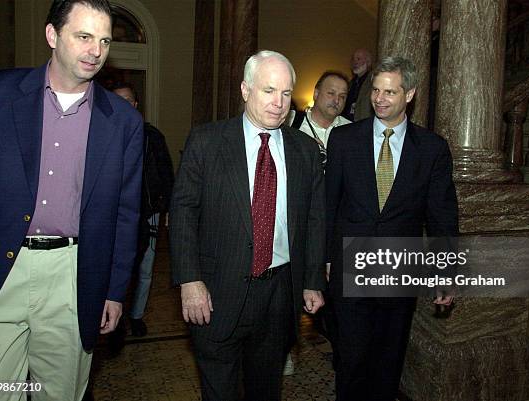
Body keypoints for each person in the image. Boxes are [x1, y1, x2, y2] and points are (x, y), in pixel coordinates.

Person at [0, 1, 143, 400]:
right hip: (0, 269)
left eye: (104, 41)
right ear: (53, 36)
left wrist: (114, 290)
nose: (95, 51)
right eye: (84, 37)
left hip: (72, 275)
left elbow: (126, 215)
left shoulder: (123, 123)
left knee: (59, 393)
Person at [170, 50, 326, 401]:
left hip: (278, 296)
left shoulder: (305, 150)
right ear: (245, 90)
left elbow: (315, 220)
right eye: (269, 90)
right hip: (215, 291)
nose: (279, 102)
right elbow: (183, 212)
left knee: (265, 389)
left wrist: (313, 281)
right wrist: (190, 280)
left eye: (286, 94)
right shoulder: (207, 142)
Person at [325, 56, 458, 401]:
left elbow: (442, 215)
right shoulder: (343, 140)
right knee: (351, 363)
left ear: (410, 94)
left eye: (390, 92)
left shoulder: (431, 149)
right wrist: (322, 261)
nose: (380, 99)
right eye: (376, 90)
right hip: (349, 269)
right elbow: (328, 206)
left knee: (388, 364)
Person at [112, 82, 174, 337]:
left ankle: (136, 316)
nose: (123, 105)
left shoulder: (153, 136)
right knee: (115, 267)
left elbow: (166, 173)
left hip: (148, 213)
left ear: (136, 105)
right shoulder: (101, 133)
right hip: (114, 215)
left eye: (128, 100)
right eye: (118, 100)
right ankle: (114, 317)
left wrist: (168, 206)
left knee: (145, 269)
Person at [288, 70, 351, 169]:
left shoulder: (351, 130)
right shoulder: (290, 121)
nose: (337, 100)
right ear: (316, 94)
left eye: (342, 96)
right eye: (331, 93)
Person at [341, 48, 373, 122]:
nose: (355, 62)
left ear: (368, 62)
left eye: (358, 59)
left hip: (362, 124)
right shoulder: (351, 82)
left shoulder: (373, 81)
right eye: (353, 59)